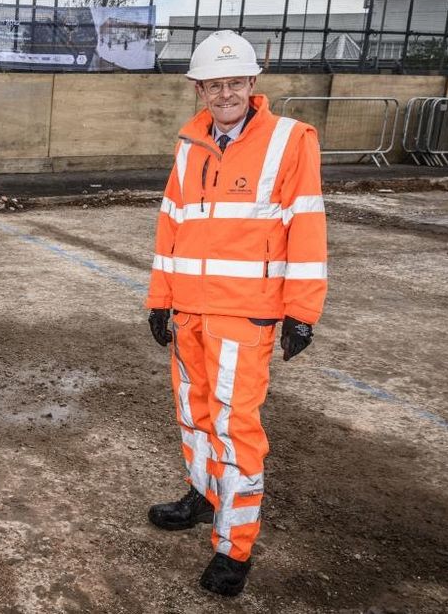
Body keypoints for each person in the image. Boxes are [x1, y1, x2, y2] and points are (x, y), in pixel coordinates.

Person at [144, 30, 328, 596]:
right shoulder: (191, 143)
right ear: (199, 88)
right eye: (214, 85)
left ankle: (234, 548)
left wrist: (301, 311)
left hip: (245, 317)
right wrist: (160, 297)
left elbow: (306, 225)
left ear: (253, 83)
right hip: (192, 314)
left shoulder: (291, 140)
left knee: (234, 428)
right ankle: (204, 495)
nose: (225, 93)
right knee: (194, 413)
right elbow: (172, 226)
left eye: (235, 83)